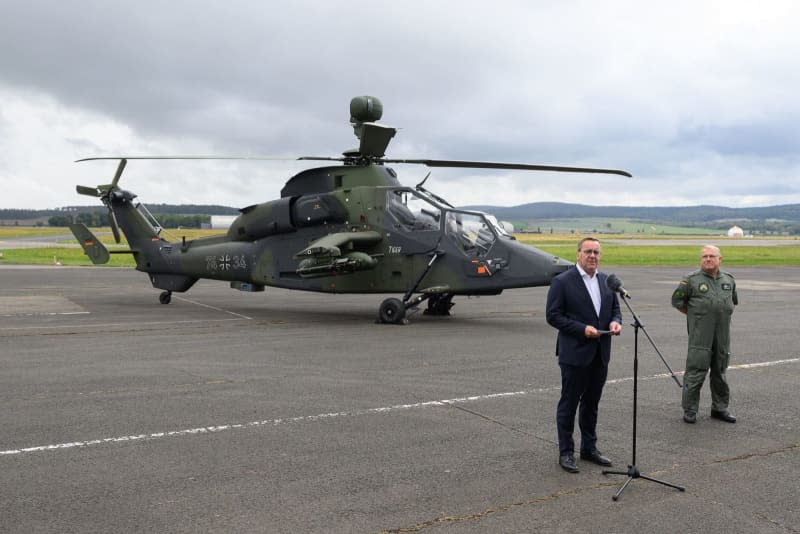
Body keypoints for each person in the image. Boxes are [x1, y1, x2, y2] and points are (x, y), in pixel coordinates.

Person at [546, 237, 622, 473]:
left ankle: (589, 448)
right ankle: (566, 452)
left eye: (596, 252)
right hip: (575, 354)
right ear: (578, 254)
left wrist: (615, 322)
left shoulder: (606, 281)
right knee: (569, 404)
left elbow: (615, 310)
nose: (593, 256)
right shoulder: (562, 282)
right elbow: (553, 316)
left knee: (591, 404)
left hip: (600, 353)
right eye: (588, 251)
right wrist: (582, 330)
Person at [671, 245, 738, 424]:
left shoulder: (729, 280)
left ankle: (720, 408)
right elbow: (677, 301)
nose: (708, 259)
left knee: (720, 371)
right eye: (704, 256)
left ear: (720, 259)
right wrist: (696, 316)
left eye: (712, 256)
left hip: (722, 335)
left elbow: (733, 302)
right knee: (696, 371)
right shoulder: (691, 280)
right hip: (700, 335)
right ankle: (690, 410)